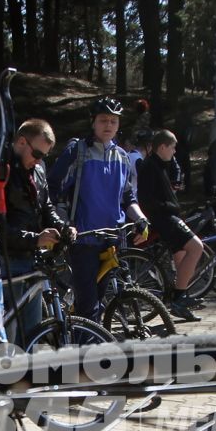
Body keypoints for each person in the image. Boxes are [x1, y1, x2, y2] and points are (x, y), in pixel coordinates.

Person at [52, 97, 149, 316]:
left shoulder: (122, 157)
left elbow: (128, 198)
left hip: (112, 239)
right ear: (93, 122)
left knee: (98, 298)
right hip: (83, 239)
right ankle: (86, 347)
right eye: (103, 120)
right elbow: (54, 191)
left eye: (113, 121)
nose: (109, 125)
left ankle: (85, 339)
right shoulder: (77, 151)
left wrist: (141, 219)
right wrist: (64, 224)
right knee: (88, 305)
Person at [0, 117, 68, 339]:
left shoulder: (37, 171)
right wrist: (36, 238)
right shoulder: (0, 170)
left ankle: (27, 373)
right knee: (8, 332)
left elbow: (45, 206)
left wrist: (62, 227)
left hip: (32, 260)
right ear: (21, 142)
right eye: (37, 154)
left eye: (44, 157)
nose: (38, 161)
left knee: (32, 332)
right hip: (6, 261)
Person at [136, 128, 202, 320]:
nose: (174, 152)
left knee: (181, 255)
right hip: (164, 218)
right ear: (162, 147)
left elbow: (172, 180)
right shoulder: (150, 166)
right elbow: (146, 199)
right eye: (172, 148)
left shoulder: (161, 163)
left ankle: (180, 300)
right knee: (196, 247)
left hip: (167, 216)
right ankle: (179, 296)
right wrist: (169, 207)